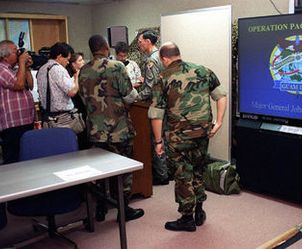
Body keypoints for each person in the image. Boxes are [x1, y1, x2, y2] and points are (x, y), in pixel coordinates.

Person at [148, 42, 227, 232]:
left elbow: (156, 114)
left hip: (178, 137)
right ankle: (199, 210)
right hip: (202, 133)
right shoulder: (203, 70)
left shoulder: (162, 77)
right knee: (198, 169)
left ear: (164, 59)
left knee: (183, 174)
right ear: (178, 54)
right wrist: (219, 122)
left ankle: (187, 219)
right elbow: (221, 96)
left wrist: (158, 142)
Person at [78, 34, 144, 222]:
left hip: (95, 131)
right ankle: (123, 210)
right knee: (123, 170)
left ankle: (100, 208)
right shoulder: (117, 67)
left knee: (99, 171)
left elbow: (84, 99)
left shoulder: (83, 70)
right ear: (106, 47)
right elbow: (130, 95)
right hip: (118, 129)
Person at [0, 40, 35, 164]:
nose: (19, 54)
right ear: (5, 55)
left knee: (27, 156)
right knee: (13, 159)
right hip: (12, 123)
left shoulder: (15, 69)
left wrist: (27, 67)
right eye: (15, 51)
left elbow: (30, 85)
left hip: (26, 120)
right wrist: (22, 63)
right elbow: (19, 85)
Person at [137, 30, 168, 185]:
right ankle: (167, 172)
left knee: (157, 139)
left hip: (156, 104)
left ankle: (161, 175)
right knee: (165, 138)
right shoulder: (162, 57)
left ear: (148, 41)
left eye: (140, 41)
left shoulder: (151, 60)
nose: (139, 44)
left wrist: (134, 96)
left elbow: (149, 89)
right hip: (166, 102)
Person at [37, 42, 79, 123]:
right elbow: (72, 92)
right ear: (59, 56)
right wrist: (76, 77)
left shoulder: (42, 68)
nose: (68, 62)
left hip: (47, 116)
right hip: (62, 118)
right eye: (67, 59)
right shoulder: (58, 69)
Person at [66, 52, 89, 150]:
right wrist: (76, 75)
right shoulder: (69, 77)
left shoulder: (86, 74)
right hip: (76, 108)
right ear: (73, 64)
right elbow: (73, 91)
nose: (83, 62)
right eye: (80, 60)